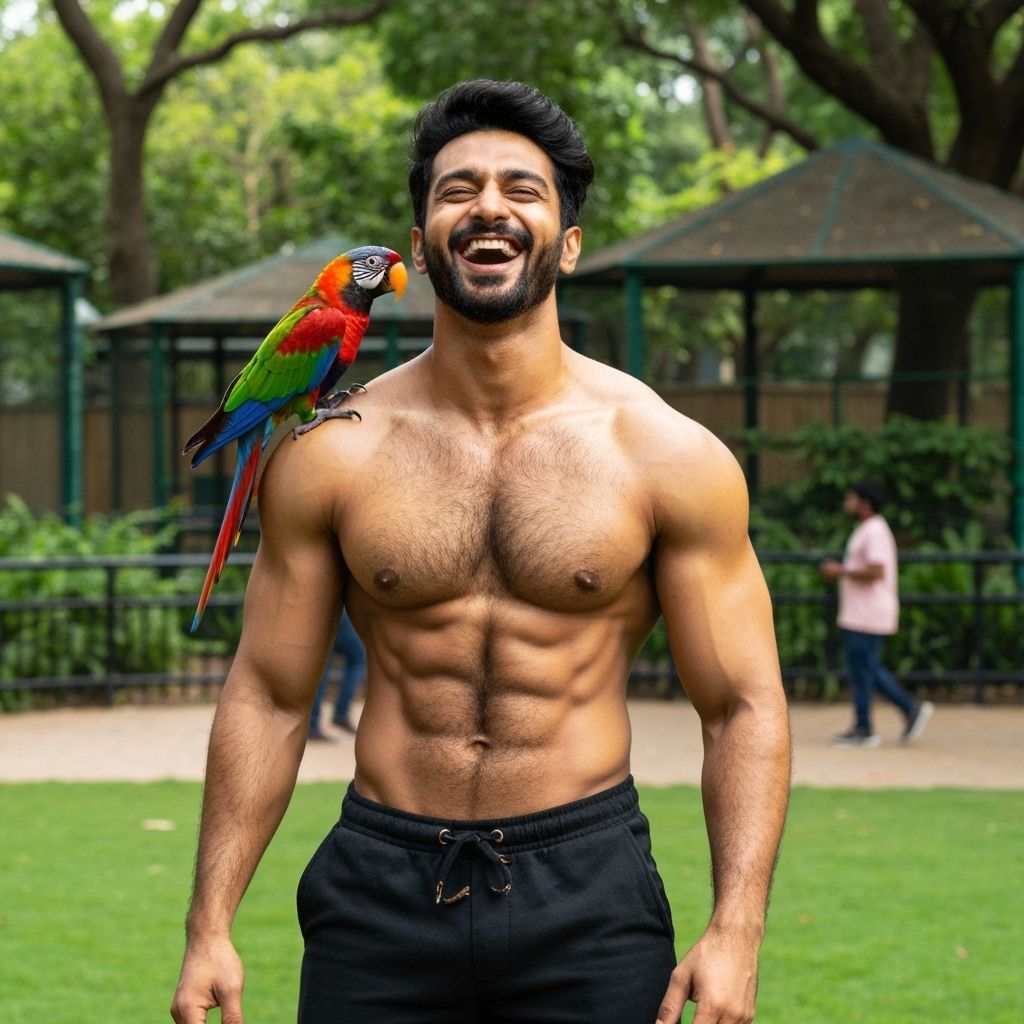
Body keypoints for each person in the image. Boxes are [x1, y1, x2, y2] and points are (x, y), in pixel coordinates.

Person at [171, 80, 791, 1024]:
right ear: (418, 248)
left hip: (588, 893)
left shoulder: (669, 454)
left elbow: (743, 703)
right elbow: (268, 689)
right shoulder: (332, 451)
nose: (489, 206)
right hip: (379, 890)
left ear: (567, 244)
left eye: (523, 189)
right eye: (457, 189)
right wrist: (208, 923)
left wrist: (738, 928)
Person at [820, 480, 934, 747]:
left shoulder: (875, 531)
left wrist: (840, 571)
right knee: (863, 669)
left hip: (868, 614)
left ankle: (879, 721)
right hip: (859, 613)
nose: (847, 502)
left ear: (865, 502)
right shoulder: (866, 529)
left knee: (865, 669)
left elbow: (877, 570)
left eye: (852, 498)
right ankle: (875, 721)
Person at [307, 611, 365, 739]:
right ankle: (339, 714)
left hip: (321, 609)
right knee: (358, 657)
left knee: (325, 659)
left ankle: (312, 723)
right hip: (334, 609)